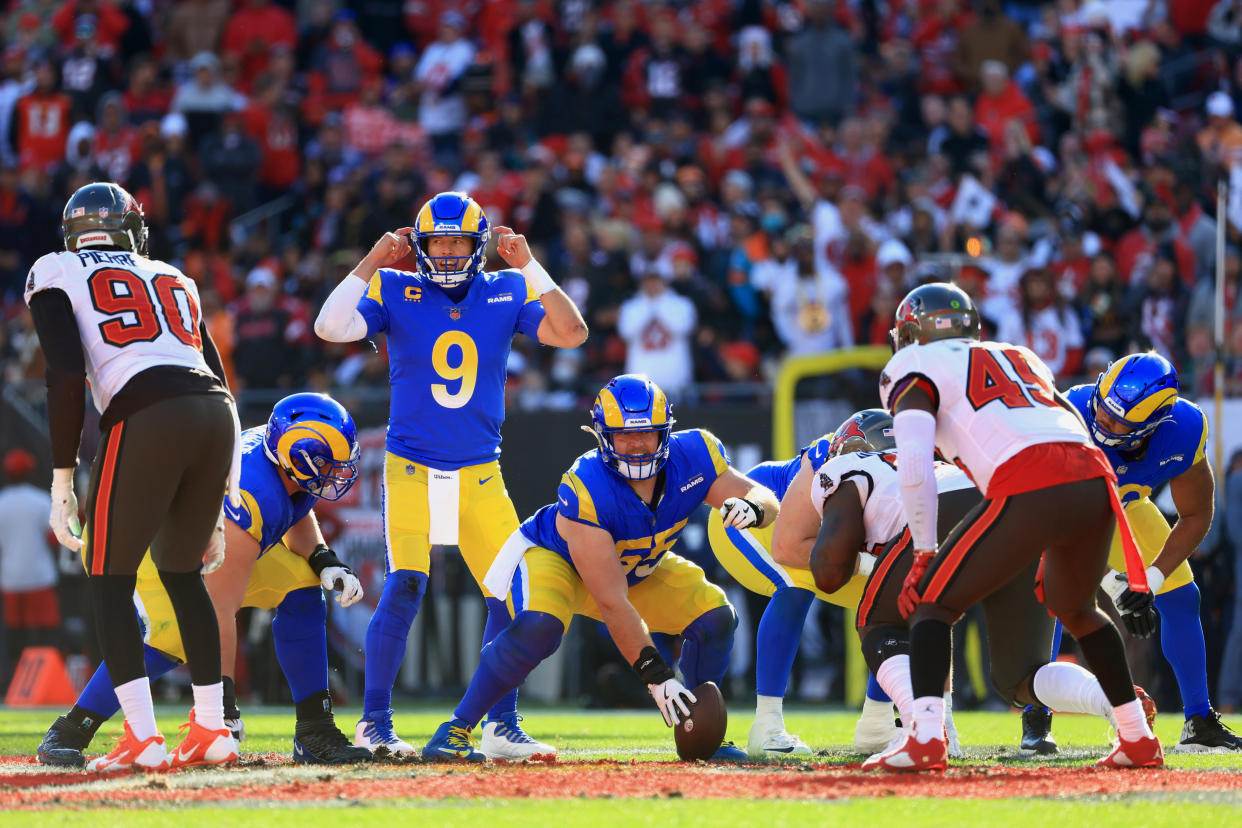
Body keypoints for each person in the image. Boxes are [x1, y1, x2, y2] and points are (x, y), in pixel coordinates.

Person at [314, 191, 587, 757]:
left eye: (457, 241)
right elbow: (330, 327)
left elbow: (571, 332)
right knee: (406, 582)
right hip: (412, 464)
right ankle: (374, 724)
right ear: (419, 245)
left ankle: (499, 725)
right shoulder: (395, 286)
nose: (445, 251)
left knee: (509, 594)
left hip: (479, 471)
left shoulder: (506, 288)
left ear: (477, 246)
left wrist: (529, 265)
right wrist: (370, 261)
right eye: (436, 240)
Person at [864, 282, 1161, 771]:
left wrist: (923, 551)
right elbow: (1071, 426)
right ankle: (1137, 738)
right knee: (1077, 608)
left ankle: (926, 739)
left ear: (911, 333)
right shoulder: (1020, 355)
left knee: (931, 603)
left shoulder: (910, 368)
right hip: (1092, 476)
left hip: (1028, 477)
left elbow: (915, 466)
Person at [420, 374, 779, 761]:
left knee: (715, 617)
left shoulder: (696, 454)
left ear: (667, 433)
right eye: (623, 435)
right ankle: (454, 730)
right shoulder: (586, 482)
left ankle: (701, 733)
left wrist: (755, 508)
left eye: (647, 435)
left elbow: (762, 495)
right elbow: (611, 603)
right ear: (602, 435)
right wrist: (657, 676)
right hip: (556, 559)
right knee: (542, 625)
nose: (637, 446)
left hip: (633, 567)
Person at [25, 182, 240, 772]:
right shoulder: (174, 275)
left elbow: (65, 375)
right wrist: (222, 497)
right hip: (214, 414)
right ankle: (211, 729)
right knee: (182, 575)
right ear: (133, 230)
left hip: (146, 415)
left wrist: (63, 474)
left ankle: (143, 737)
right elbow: (215, 375)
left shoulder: (56, 268)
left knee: (108, 579)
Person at [37, 393, 373, 767]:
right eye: (328, 464)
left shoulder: (281, 459)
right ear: (297, 455)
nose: (338, 472)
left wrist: (323, 559)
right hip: (144, 540)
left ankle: (315, 730)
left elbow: (295, 506)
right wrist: (222, 707)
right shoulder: (251, 491)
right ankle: (71, 729)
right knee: (173, 637)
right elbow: (218, 612)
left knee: (303, 583)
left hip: (202, 528)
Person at [1024, 353, 1240, 752]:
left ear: (1154, 424)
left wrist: (1152, 580)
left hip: (1124, 506)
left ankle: (1199, 721)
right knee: (1054, 597)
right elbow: (1049, 519)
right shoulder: (1071, 413)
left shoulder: (1185, 427)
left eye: (1117, 421)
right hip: (1057, 513)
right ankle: (1036, 716)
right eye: (1102, 411)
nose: (1103, 422)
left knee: (1182, 594)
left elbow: (1196, 514)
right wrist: (1112, 583)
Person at [707, 409, 901, 757]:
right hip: (756, 517)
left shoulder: (906, 478)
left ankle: (878, 725)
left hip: (811, 541)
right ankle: (766, 725)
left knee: (896, 600)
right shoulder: (826, 463)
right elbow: (788, 547)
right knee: (796, 584)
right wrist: (866, 562)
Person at [0, 448, 59, 685]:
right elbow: (54, 539)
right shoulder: (41, 500)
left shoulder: (2, 502)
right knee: (46, 630)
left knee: (16, 633)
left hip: (10, 578)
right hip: (40, 575)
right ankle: (44, 680)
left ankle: (16, 683)